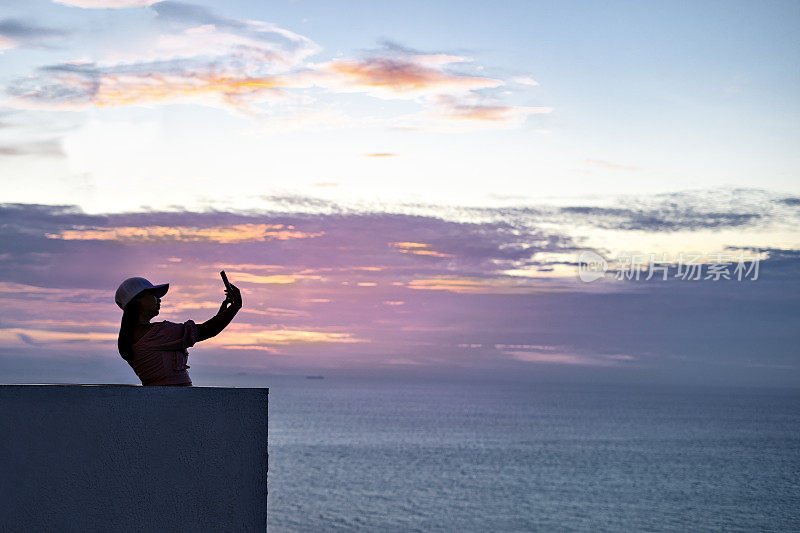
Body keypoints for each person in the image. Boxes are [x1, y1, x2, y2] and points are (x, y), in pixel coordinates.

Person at [115, 276, 243, 386]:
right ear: (138, 299)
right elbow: (207, 330)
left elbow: (206, 329)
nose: (159, 299)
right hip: (177, 403)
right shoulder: (157, 333)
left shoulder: (132, 336)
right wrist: (236, 305)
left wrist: (223, 312)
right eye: (153, 294)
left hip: (164, 402)